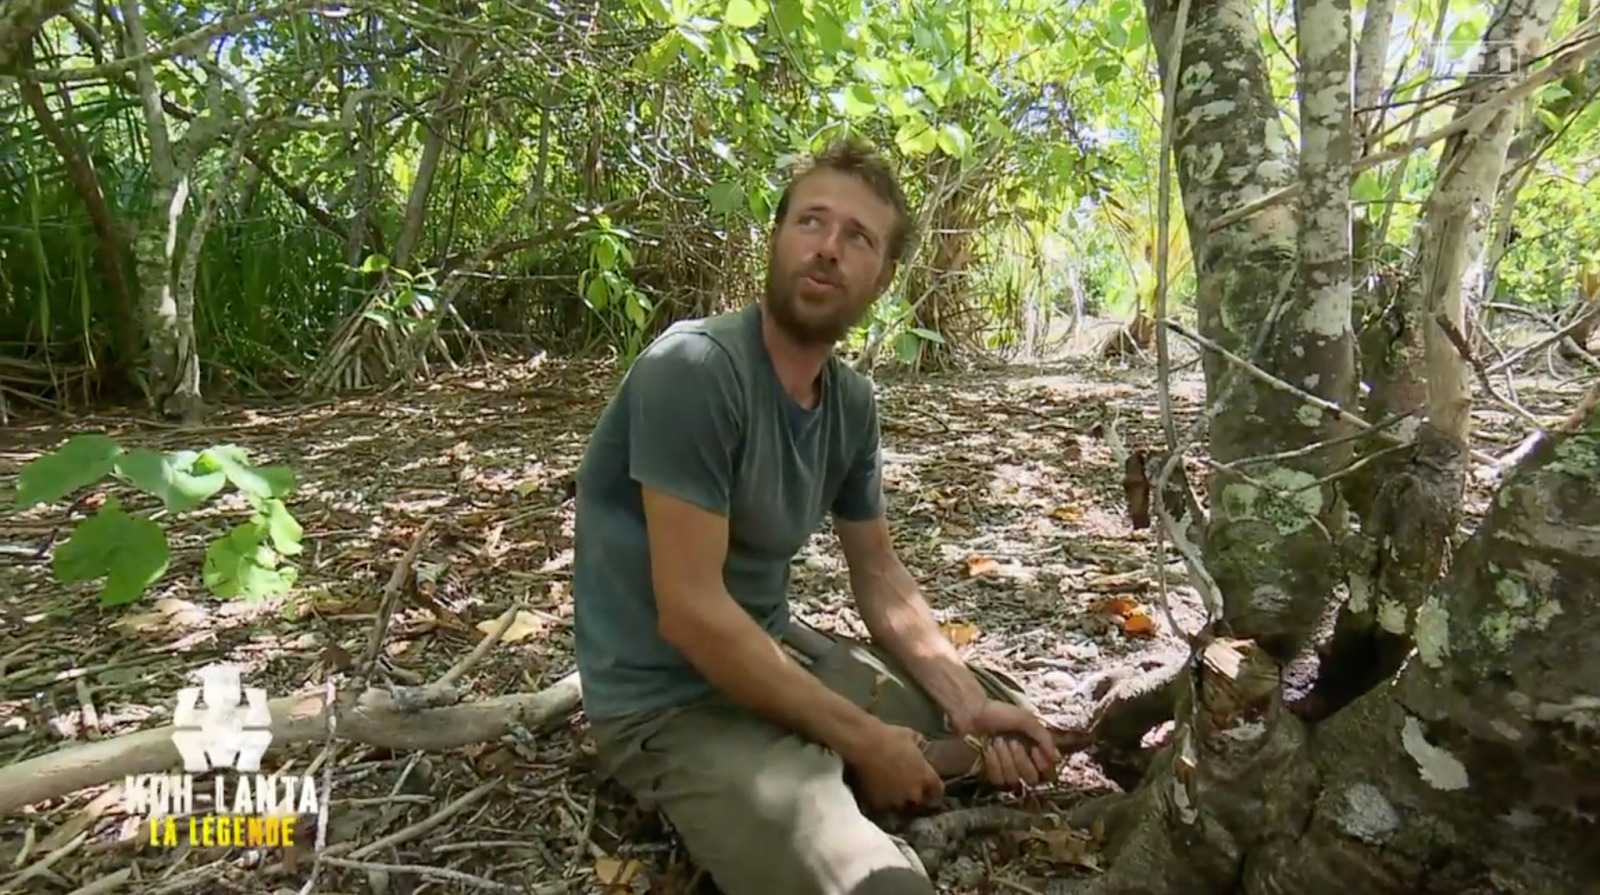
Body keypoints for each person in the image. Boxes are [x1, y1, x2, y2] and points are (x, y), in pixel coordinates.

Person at [571, 138, 1059, 895]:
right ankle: (870, 774)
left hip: (779, 659)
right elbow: (693, 613)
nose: (827, 248)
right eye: (811, 222)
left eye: (857, 237)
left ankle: (908, 758)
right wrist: (864, 737)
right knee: (883, 890)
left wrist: (966, 706)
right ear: (777, 237)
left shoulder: (852, 404)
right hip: (672, 706)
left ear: (884, 276)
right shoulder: (694, 369)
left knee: (1008, 711)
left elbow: (880, 573)